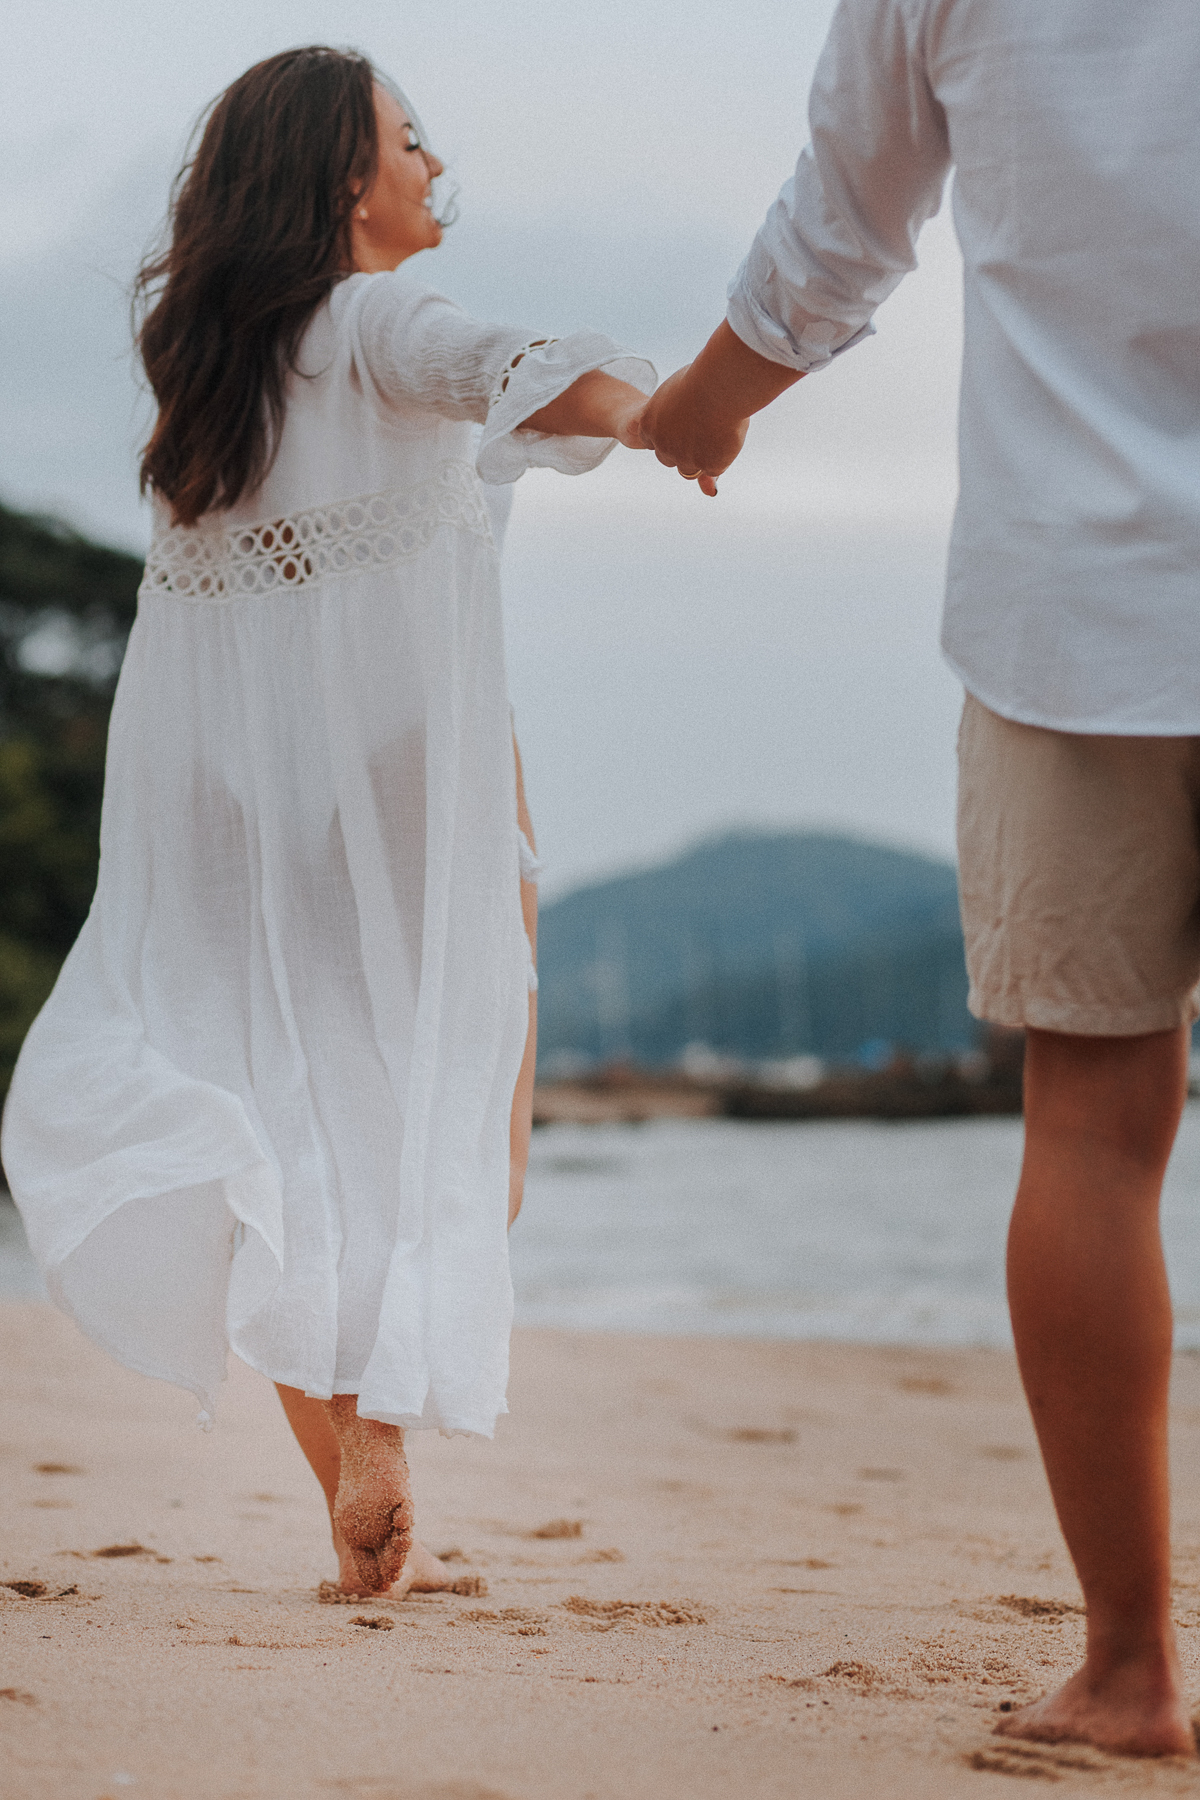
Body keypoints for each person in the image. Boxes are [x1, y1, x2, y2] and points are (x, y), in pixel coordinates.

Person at [1, 47, 654, 1599]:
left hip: (244, 808)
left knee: (292, 1140)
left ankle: (358, 1482)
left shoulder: (212, 383)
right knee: (459, 1127)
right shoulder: (372, 319)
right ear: (337, 183)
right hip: (422, 796)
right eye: (408, 143)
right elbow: (519, 364)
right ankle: (391, 1421)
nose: (436, 166)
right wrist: (665, 413)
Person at [638, 0, 1200, 1762]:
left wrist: (707, 402)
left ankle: (1128, 1675)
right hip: (1067, 617)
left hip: (1077, 609)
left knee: (1094, 1130)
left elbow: (846, 212)